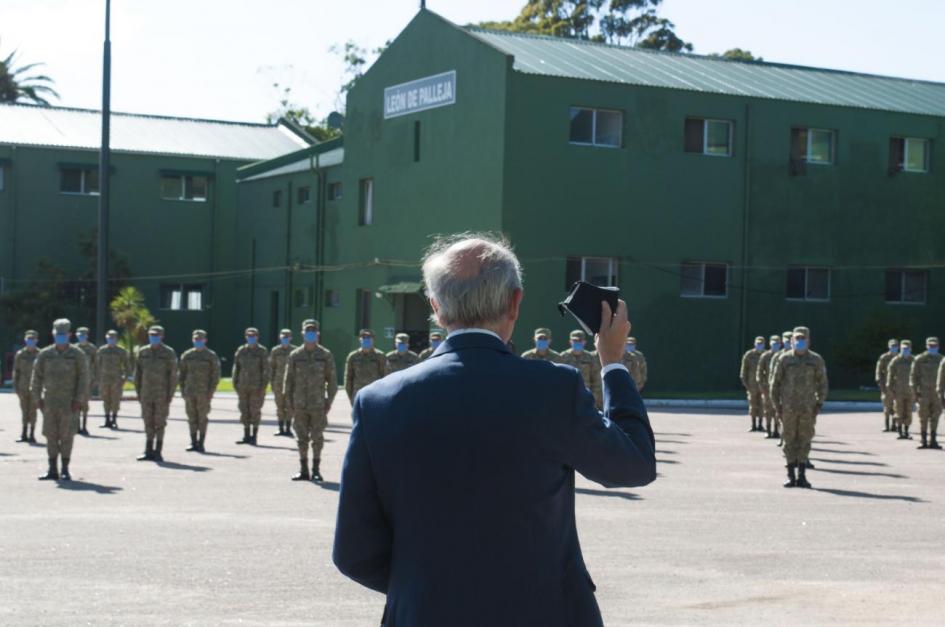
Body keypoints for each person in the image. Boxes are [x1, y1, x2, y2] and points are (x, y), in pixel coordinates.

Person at [333, 235, 656, 626]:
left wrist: (431, 588)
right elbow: (633, 465)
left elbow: (354, 551)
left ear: (435, 307)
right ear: (515, 302)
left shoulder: (377, 402)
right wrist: (613, 364)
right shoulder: (553, 388)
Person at [31, 319, 90, 481]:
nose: (61, 337)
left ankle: (65, 469)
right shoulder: (45, 354)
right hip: (49, 402)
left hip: (69, 403)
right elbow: (36, 377)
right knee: (50, 436)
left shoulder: (77, 354)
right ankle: (52, 469)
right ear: (53, 334)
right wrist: (37, 399)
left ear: (69, 335)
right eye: (58, 335)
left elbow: (84, 379)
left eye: (63, 335)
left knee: (66, 436)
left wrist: (79, 399)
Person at [771, 327, 828, 489]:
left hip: (808, 408)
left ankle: (802, 476)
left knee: (805, 439)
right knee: (789, 440)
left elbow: (823, 383)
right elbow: (774, 384)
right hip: (788, 408)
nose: (800, 343)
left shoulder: (816, 359)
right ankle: (790, 476)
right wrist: (777, 405)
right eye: (797, 340)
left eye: (803, 340)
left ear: (808, 342)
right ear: (792, 342)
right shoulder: (784, 359)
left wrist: (820, 403)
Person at [284, 320, 338, 482]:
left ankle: (316, 470)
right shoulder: (295, 355)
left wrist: (328, 401)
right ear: (302, 334)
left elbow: (332, 381)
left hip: (318, 405)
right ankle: (303, 470)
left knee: (317, 438)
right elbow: (288, 381)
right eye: (308, 332)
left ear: (318, 335)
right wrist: (289, 403)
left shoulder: (325, 355)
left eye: (313, 332)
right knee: (301, 438)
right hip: (299, 404)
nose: (310, 335)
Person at [135, 326, 177, 462]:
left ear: (162, 337)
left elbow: (173, 376)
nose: (153, 337)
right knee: (148, 421)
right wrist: (139, 393)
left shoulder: (168, 353)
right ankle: (148, 450)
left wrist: (169, 395)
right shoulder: (143, 352)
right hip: (146, 393)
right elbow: (138, 374)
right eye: (151, 335)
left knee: (160, 422)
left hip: (161, 394)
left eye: (156, 335)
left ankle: (158, 451)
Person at [178, 330, 221, 453]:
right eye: (196, 340)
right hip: (190, 391)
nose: (198, 341)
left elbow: (215, 375)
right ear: (193, 340)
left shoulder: (211, 356)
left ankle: (201, 443)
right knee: (191, 417)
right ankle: (193, 442)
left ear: (205, 340)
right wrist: (183, 390)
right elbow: (181, 374)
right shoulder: (187, 355)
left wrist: (211, 392)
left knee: (202, 418)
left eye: (200, 339)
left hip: (204, 393)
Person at [232, 327, 270, 445]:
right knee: (244, 411)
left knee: (255, 411)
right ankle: (246, 435)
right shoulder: (241, 350)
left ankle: (254, 436)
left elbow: (266, 370)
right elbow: (236, 368)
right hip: (243, 386)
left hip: (256, 387)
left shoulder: (262, 351)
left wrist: (262, 387)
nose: (251, 338)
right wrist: (235, 384)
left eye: (253, 336)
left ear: (257, 337)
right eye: (249, 336)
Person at [910, 337, 942, 450]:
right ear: (926, 346)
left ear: (938, 346)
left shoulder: (941, 360)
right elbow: (913, 377)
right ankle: (923, 440)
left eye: (934, 346)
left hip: (937, 394)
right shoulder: (919, 359)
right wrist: (915, 393)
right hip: (923, 393)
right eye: (930, 346)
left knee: (936, 416)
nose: (932, 348)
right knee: (923, 417)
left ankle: (933, 440)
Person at [560, 329, 603, 408]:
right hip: (567, 394)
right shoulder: (563, 357)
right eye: (575, 340)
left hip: (585, 395)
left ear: (584, 342)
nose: (577, 342)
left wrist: (593, 398)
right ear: (570, 342)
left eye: (580, 340)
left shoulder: (590, 357)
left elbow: (596, 380)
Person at [97, 330, 131, 430]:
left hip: (117, 380)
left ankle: (114, 420)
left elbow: (127, 366)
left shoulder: (121, 351)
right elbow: (97, 365)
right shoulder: (101, 350)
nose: (111, 340)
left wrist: (125, 377)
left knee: (115, 400)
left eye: (113, 338)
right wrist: (97, 377)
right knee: (105, 399)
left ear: (116, 339)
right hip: (104, 379)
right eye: (109, 338)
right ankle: (107, 420)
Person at [344, 329, 388, 404]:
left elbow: (385, 377)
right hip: (358, 394)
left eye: (369, 339)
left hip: (375, 394)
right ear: (360, 340)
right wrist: (351, 397)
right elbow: (348, 378)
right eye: (364, 339)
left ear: (373, 340)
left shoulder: (380, 356)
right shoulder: (353, 356)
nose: (366, 341)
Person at [12, 330, 40, 443]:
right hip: (23, 387)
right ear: (25, 340)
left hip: (35, 387)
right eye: (29, 339)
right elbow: (16, 371)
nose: (30, 341)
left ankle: (32, 434)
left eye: (32, 339)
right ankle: (23, 434)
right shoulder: (20, 354)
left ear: (36, 340)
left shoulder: (41, 354)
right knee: (24, 411)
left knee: (33, 411)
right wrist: (16, 387)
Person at [269, 329, 297, 436]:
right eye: (283, 336)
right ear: (280, 337)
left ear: (291, 338)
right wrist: (271, 382)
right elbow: (272, 368)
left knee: (289, 405)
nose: (285, 338)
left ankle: (288, 429)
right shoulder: (275, 351)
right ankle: (280, 428)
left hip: (291, 384)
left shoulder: (295, 351)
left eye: (287, 336)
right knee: (280, 406)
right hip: (278, 383)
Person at [887, 340, 915, 440]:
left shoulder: (914, 360)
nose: (905, 350)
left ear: (910, 349)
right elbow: (890, 375)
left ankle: (906, 431)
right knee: (899, 410)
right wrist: (890, 388)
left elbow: (918, 375)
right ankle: (899, 431)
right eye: (903, 349)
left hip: (910, 391)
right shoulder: (896, 360)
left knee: (908, 411)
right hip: (898, 391)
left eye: (907, 349)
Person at [756, 334, 782, 438]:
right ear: (770, 343)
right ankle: (768, 429)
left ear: (780, 344)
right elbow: (759, 372)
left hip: (780, 388)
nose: (775, 345)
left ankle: (776, 430)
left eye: (777, 343)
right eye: (773, 343)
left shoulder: (783, 355)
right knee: (768, 409)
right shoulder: (765, 356)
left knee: (778, 409)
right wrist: (762, 385)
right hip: (768, 387)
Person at [74, 326, 97, 436]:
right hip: (75, 380)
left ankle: (84, 426)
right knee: (76, 403)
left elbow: (96, 364)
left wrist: (95, 379)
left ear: (87, 336)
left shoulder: (92, 349)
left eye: (83, 335)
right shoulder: (74, 348)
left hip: (87, 380)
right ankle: (77, 426)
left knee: (85, 404)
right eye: (79, 335)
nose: (81, 337)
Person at [740, 336, 766, 432]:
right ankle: (753, 424)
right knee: (753, 404)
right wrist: (746, 383)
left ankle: (760, 424)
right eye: (758, 344)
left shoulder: (766, 355)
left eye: (761, 344)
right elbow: (744, 370)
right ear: (755, 344)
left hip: (763, 385)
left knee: (762, 405)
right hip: (752, 385)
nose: (760, 345)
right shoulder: (749, 355)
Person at [876, 339, 900, 432]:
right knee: (887, 406)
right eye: (892, 346)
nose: (893, 348)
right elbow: (879, 371)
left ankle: (894, 425)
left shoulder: (900, 358)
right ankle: (886, 425)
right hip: (886, 385)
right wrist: (879, 382)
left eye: (895, 346)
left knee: (897, 406)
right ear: (889, 346)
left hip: (898, 386)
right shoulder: (884, 357)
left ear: (898, 347)